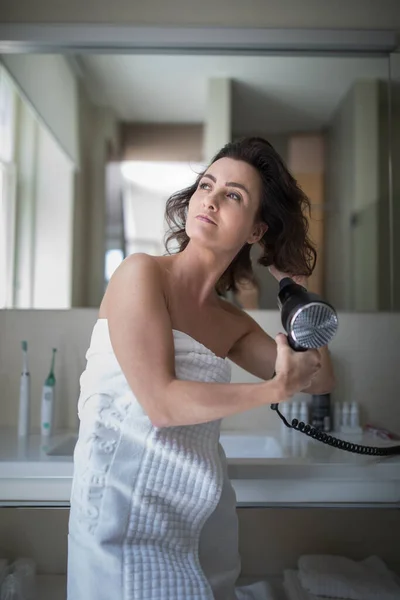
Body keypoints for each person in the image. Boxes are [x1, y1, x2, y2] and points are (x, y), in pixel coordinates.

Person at [67, 137, 335, 600]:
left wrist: (297, 288)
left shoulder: (229, 321)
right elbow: (163, 404)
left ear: (256, 232)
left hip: (197, 523)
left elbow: (320, 376)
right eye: (206, 184)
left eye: (233, 195)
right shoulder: (140, 274)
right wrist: (272, 391)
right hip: (119, 521)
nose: (209, 198)